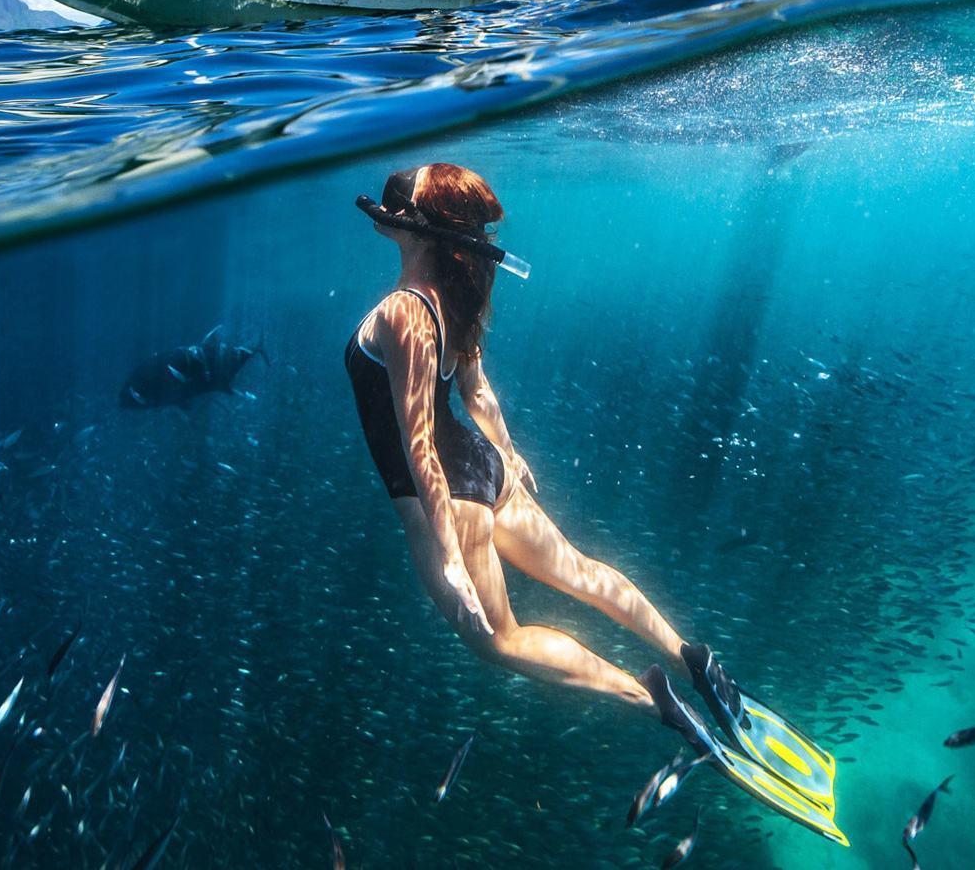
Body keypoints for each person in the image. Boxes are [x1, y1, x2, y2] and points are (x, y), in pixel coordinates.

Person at [345, 165, 850, 846]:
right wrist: (508, 454)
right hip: (484, 471)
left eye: (394, 202)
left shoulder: (407, 310)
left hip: (447, 495)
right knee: (580, 569)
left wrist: (450, 557)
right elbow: (478, 394)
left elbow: (419, 449)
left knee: (500, 638)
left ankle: (657, 704)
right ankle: (695, 658)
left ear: (408, 227)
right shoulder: (456, 298)